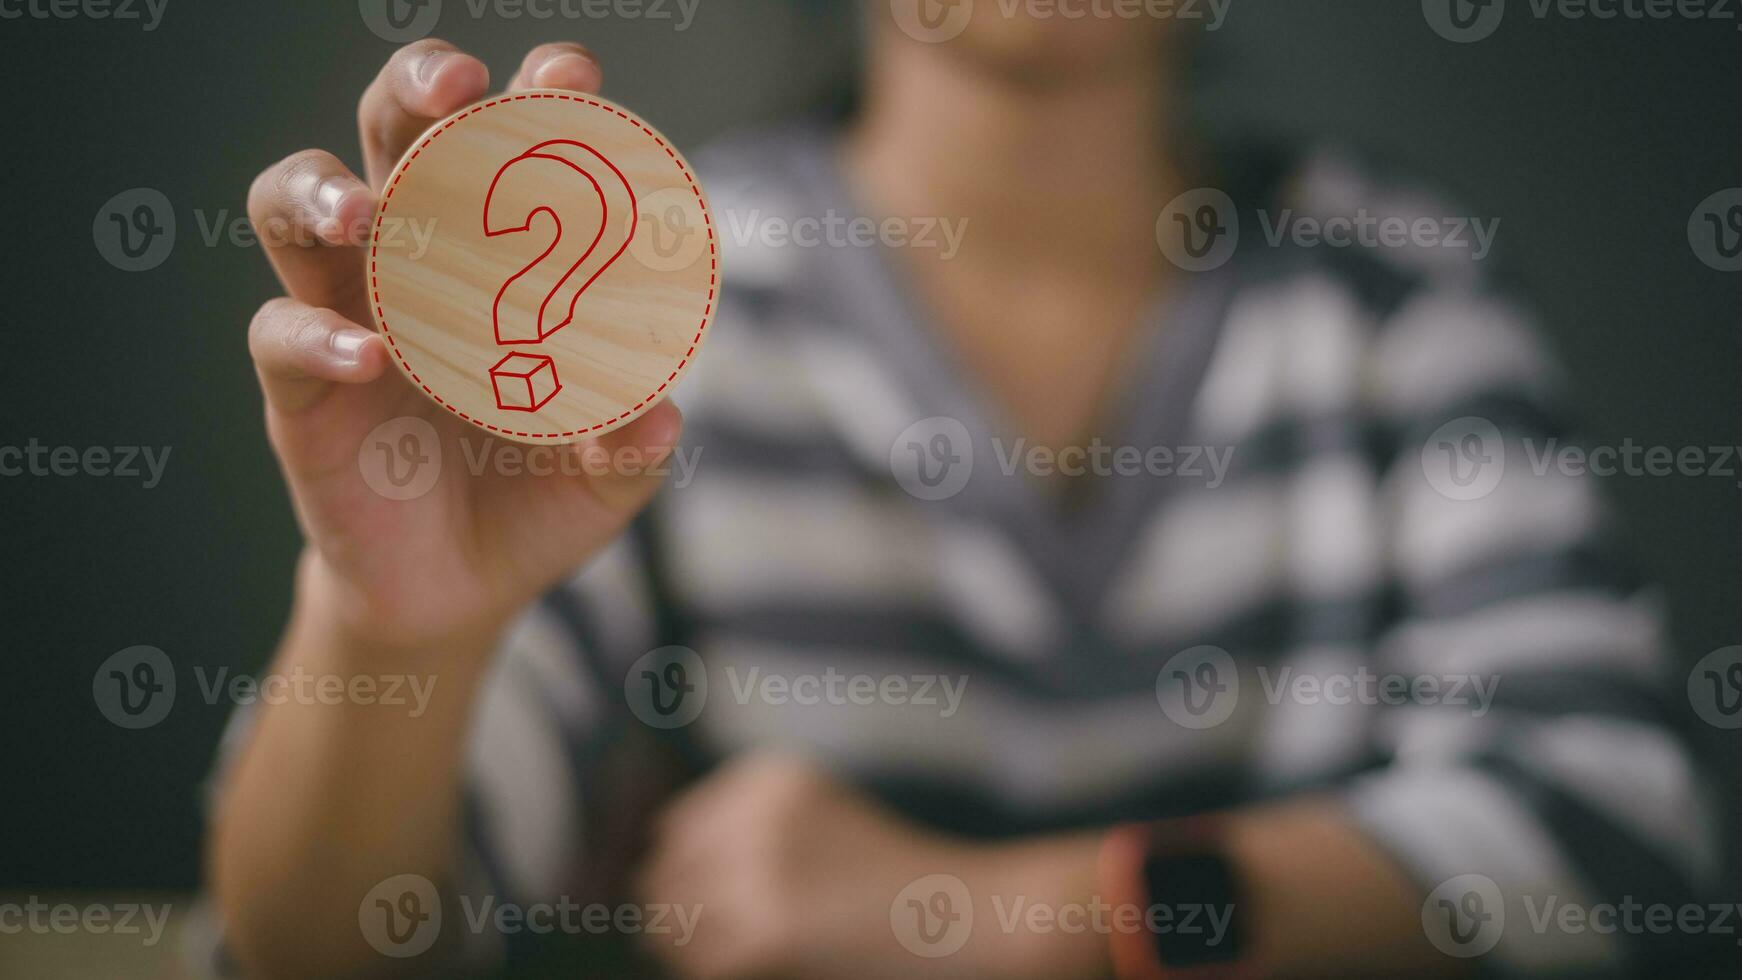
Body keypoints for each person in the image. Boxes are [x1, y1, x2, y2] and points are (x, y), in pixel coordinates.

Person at [206, 6, 1717, 978]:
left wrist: (1003, 916)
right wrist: (389, 629)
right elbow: (336, 953)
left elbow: (1619, 851)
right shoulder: (644, 330)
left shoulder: (1395, 288)